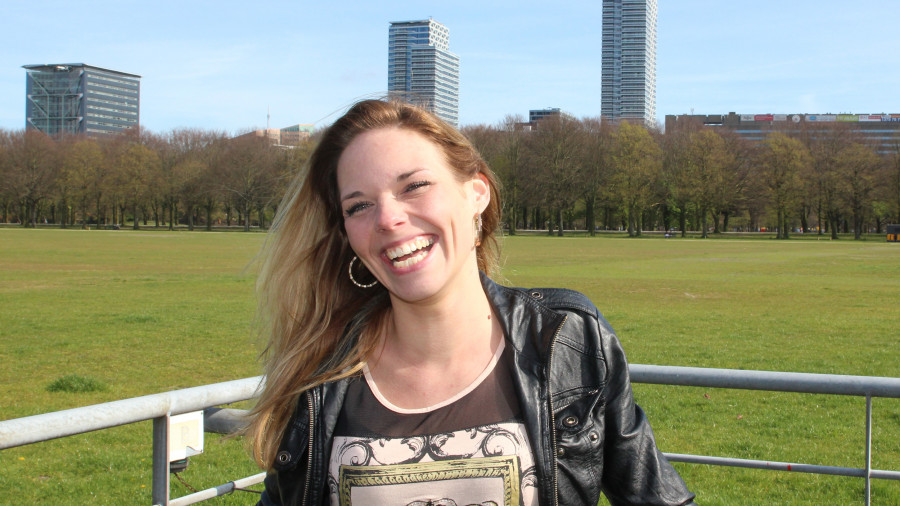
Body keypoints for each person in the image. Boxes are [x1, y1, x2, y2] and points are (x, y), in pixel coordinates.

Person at [247, 99, 695, 506]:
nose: (388, 218)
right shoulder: (321, 368)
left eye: (414, 185)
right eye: (359, 206)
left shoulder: (565, 339)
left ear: (475, 193)